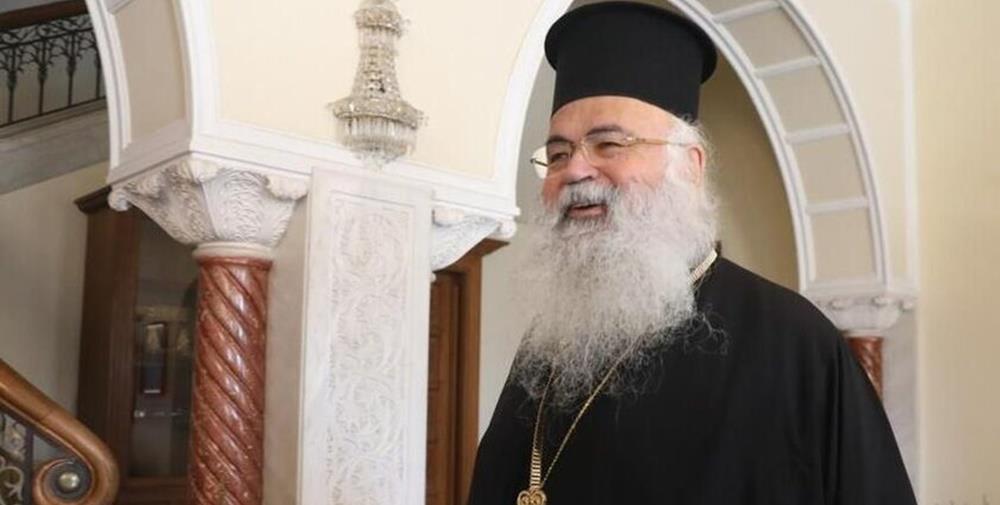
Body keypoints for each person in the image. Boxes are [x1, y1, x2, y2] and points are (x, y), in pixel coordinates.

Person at [466, 2, 918, 504]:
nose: (574, 170)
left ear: (689, 165)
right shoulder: (551, 347)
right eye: (557, 154)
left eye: (609, 144)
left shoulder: (796, 344)